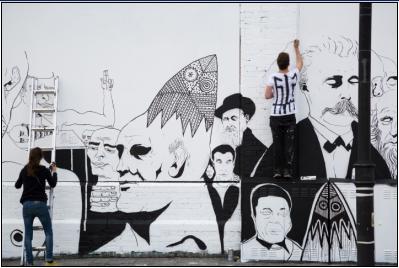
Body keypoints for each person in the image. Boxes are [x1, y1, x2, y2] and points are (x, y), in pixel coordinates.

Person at [255, 36, 390, 179]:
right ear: (305, 87)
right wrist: (296, 48)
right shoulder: (294, 143)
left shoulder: (373, 155)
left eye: (353, 81)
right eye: (333, 82)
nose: (346, 95)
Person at [264, 39, 303, 179]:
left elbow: (267, 95)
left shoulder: (273, 77)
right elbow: (300, 64)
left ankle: (277, 171)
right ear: (288, 64)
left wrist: (276, 93)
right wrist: (296, 48)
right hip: (289, 115)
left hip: (276, 116)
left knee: (278, 144)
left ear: (278, 63)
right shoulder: (293, 75)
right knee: (289, 145)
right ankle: (287, 171)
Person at [15, 147, 58, 266]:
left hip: (27, 205)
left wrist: (25, 181)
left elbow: (17, 185)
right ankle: (49, 260)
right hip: (40, 205)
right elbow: (53, 184)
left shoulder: (25, 170)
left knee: (28, 235)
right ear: (41, 158)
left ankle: (29, 262)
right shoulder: (44, 170)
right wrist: (53, 171)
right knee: (48, 232)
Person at [241, 183, 302, 261]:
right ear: (254, 216)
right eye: (266, 212)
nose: (275, 220)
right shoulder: (246, 250)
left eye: (283, 212)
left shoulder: (298, 250)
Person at [215, 93, 267, 178]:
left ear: (246, 118)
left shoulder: (258, 150)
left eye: (233, 118)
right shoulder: (221, 145)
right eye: (225, 119)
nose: (229, 124)